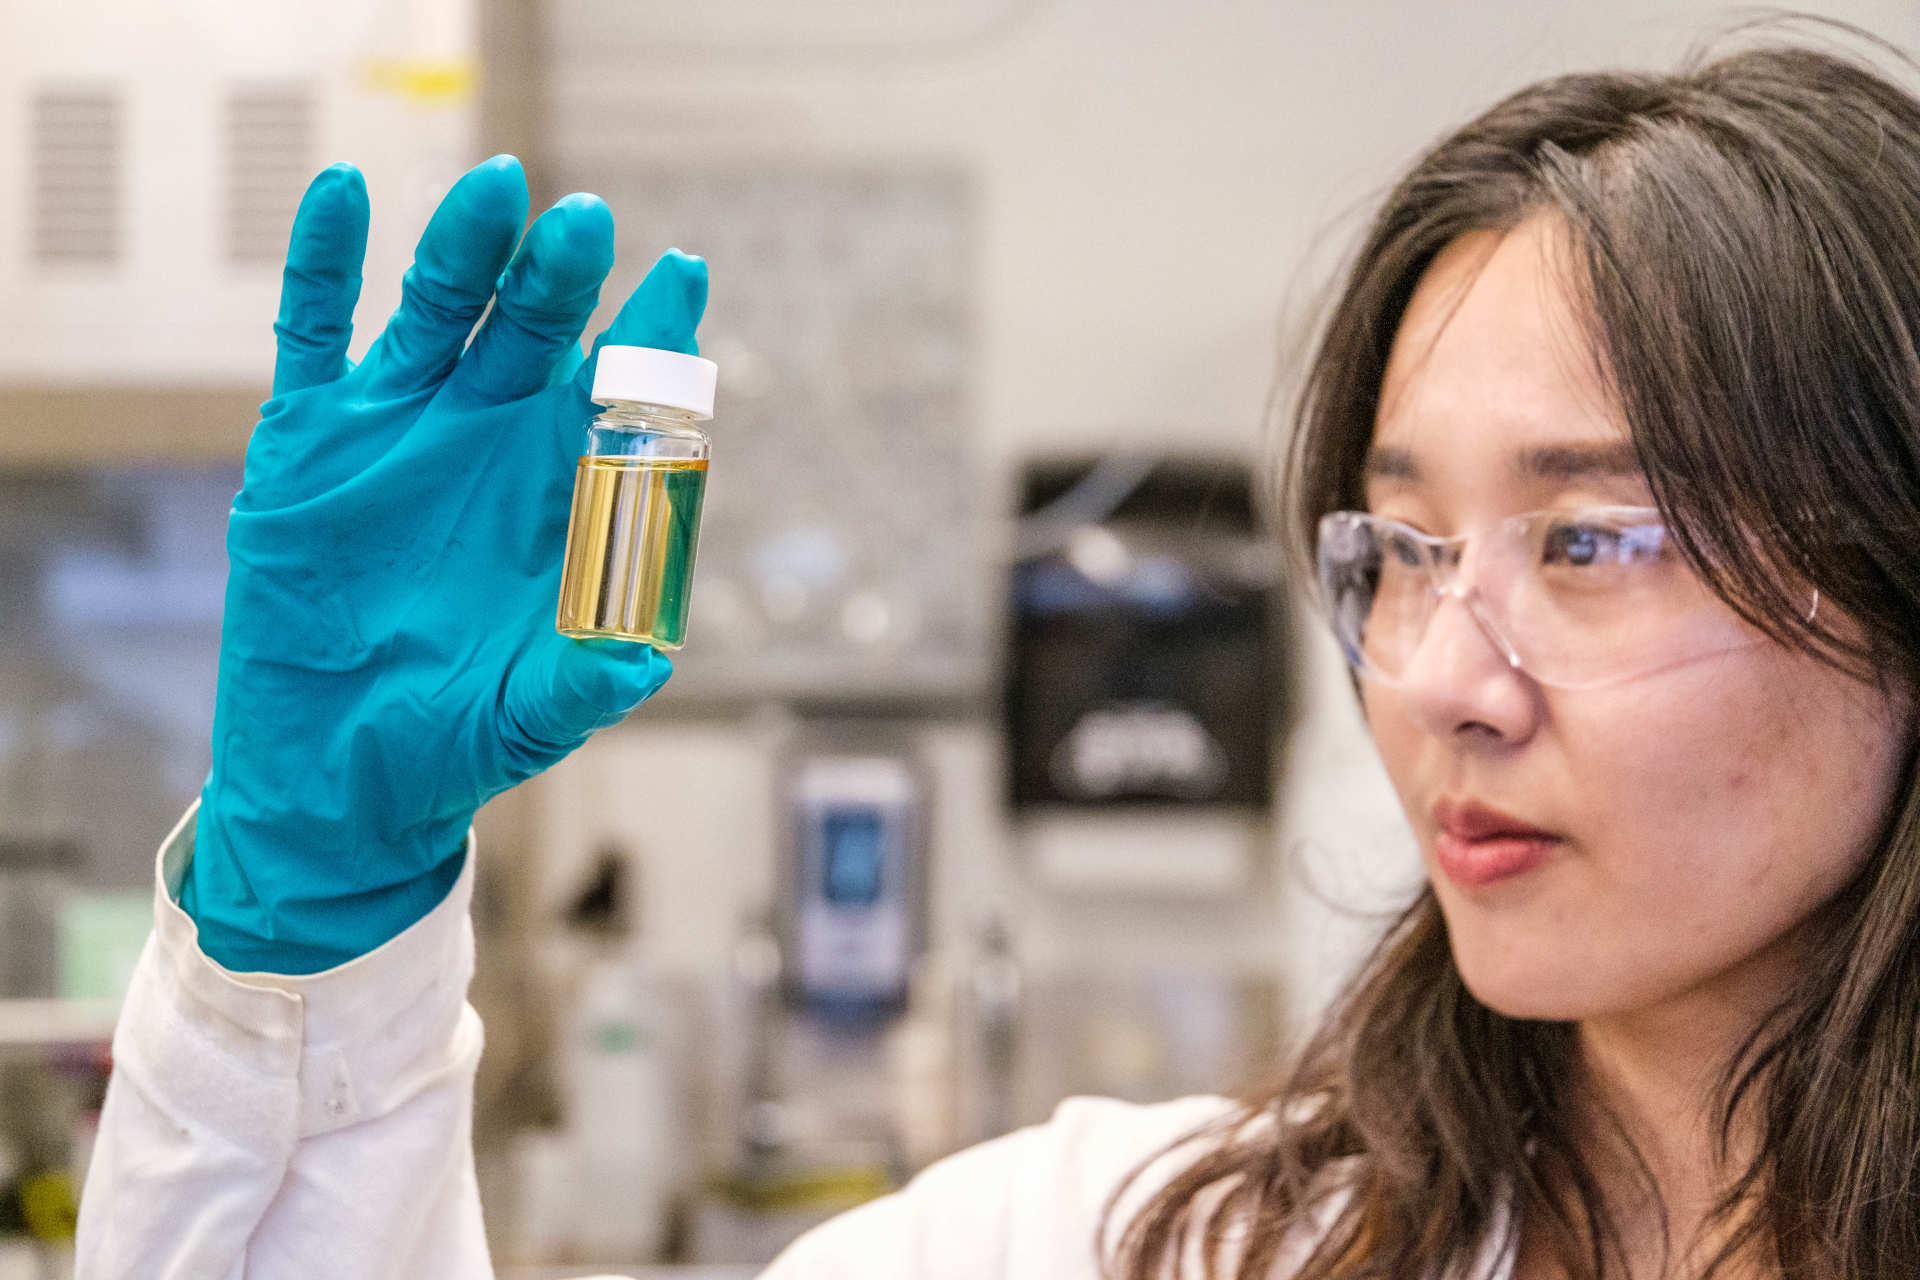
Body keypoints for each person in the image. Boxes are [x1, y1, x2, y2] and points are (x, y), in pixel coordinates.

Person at [71, 27, 1920, 1280]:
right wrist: (308, 934)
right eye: (1402, 544)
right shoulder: (1122, 1242)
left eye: (1588, 541)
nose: (1439, 676)